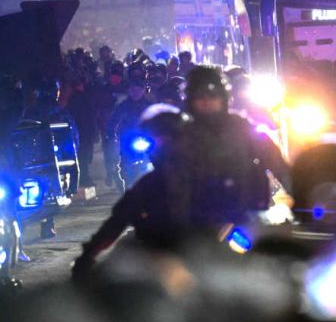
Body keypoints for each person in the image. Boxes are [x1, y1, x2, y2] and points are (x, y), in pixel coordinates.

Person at [71, 107, 186, 279]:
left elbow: (230, 212)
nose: (163, 144)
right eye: (157, 138)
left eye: (168, 138)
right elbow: (120, 219)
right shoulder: (149, 184)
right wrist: (89, 253)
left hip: (202, 254)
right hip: (157, 254)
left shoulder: (204, 177)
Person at [173, 66, 289, 228]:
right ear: (190, 100)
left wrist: (302, 196)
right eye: (200, 96)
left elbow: (277, 163)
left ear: (223, 97)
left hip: (247, 213)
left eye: (212, 95)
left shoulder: (242, 127)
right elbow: (163, 177)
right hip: (199, 221)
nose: (206, 101)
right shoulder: (181, 134)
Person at [106, 78, 152, 190]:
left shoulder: (149, 105)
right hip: (128, 137)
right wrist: (111, 133)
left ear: (143, 91)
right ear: (130, 91)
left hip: (145, 138)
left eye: (139, 90)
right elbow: (113, 120)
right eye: (133, 90)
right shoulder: (123, 106)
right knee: (125, 161)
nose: (136, 93)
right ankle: (128, 183)